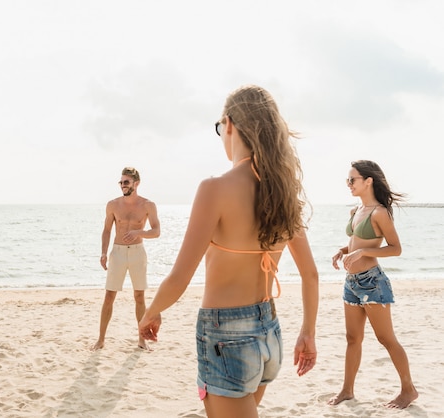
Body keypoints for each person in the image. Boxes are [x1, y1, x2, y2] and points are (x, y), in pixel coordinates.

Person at [138, 85, 319, 418]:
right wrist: (308, 332)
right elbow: (310, 274)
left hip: (226, 337)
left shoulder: (215, 189)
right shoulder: (282, 190)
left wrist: (151, 312)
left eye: (221, 128)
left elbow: (180, 277)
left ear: (230, 123)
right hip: (269, 332)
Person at [327, 160, 418, 409]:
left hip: (372, 283)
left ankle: (408, 390)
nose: (348, 184)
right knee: (352, 338)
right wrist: (342, 250)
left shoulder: (380, 212)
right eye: (347, 180)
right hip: (351, 283)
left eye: (352, 179)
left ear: (368, 181)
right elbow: (356, 242)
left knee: (386, 338)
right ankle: (347, 390)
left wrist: (363, 253)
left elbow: (395, 248)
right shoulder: (357, 210)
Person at [91, 167, 161, 351]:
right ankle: (101, 340)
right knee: (109, 296)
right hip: (118, 252)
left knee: (139, 296)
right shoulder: (113, 205)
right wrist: (104, 253)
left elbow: (156, 231)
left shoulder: (148, 205)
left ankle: (141, 340)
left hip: (138, 252)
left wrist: (139, 232)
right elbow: (106, 230)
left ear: (136, 184)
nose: (123, 185)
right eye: (121, 182)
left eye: (126, 182)